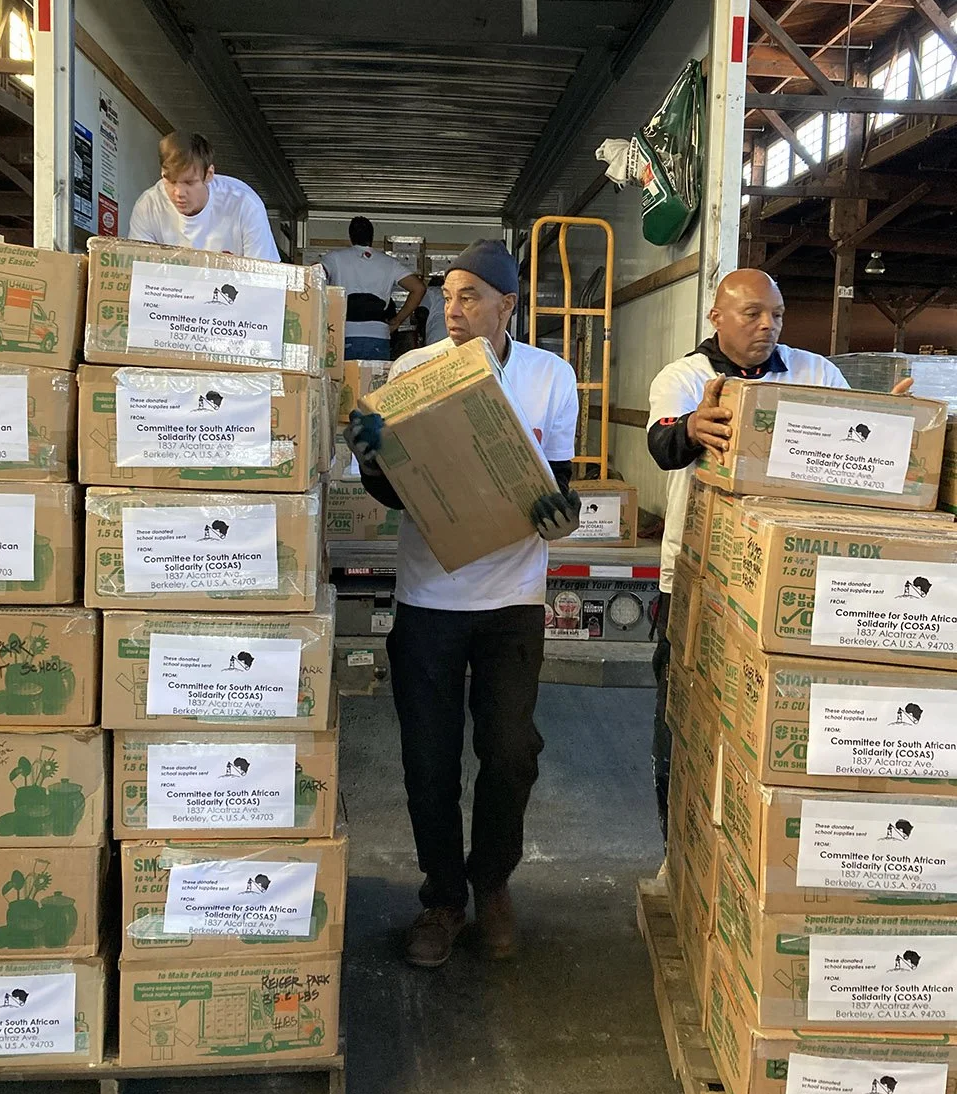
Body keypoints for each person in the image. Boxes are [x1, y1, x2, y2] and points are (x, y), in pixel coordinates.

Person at [344, 239, 581, 968]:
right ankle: (443, 898)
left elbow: (560, 482)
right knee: (427, 758)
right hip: (430, 597)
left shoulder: (550, 377)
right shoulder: (414, 372)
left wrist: (560, 512)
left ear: (508, 305)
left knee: (510, 752)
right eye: (447, 295)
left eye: (471, 295)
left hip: (512, 597)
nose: (452, 307)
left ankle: (494, 882)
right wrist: (371, 455)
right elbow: (395, 494)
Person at [645, 268, 912, 842]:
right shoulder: (685, 377)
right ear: (716, 317)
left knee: (773, 725)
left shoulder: (817, 373)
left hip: (799, 582)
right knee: (684, 718)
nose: (768, 326)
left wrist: (892, 426)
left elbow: (857, 452)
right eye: (752, 314)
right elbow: (663, 444)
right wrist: (693, 427)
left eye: (778, 315)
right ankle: (679, 851)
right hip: (699, 579)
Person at [128, 131, 280, 261]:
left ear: (209, 174)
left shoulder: (244, 204)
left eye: (189, 183)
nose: (179, 193)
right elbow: (138, 272)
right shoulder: (148, 206)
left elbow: (264, 277)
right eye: (170, 181)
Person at [322, 217, 426, 361]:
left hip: (344, 333)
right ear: (372, 237)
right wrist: (397, 321)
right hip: (378, 335)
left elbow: (316, 273)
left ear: (350, 236)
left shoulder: (335, 258)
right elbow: (418, 288)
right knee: (374, 381)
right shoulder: (389, 263)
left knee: (343, 382)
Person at [419, 275, 448, 346]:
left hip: (436, 334)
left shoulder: (430, 291)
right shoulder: (450, 293)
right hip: (453, 334)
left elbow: (422, 313)